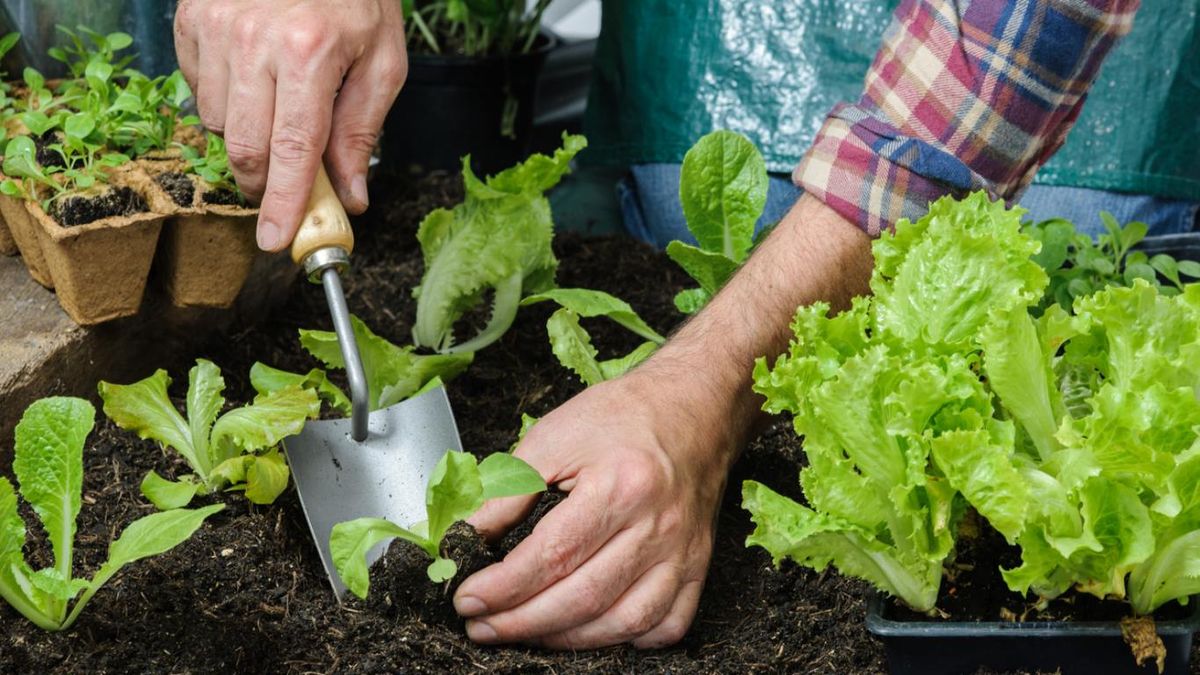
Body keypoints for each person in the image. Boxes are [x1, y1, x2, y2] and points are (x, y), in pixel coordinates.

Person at [176, 0, 1166, 650]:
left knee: (1063, 265)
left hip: (1087, 117)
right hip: (696, 75)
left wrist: (706, 385)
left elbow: (1002, 53)